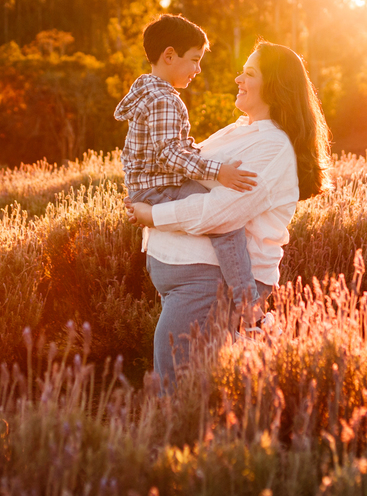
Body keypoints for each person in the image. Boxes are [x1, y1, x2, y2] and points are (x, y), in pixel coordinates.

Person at [129, 41, 331, 386]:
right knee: (186, 388)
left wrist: (153, 216)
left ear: (276, 86)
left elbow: (220, 213)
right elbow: (186, 170)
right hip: (193, 283)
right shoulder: (239, 129)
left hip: (210, 285)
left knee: (180, 394)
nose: (238, 78)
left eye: (249, 73)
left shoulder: (273, 146)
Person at [114, 14, 261, 316]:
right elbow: (169, 155)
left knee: (222, 207)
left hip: (151, 187)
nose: (198, 69)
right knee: (226, 220)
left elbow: (168, 149)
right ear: (170, 55)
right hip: (161, 187)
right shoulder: (165, 100)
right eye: (194, 60)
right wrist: (219, 171)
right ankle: (249, 305)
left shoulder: (149, 93)